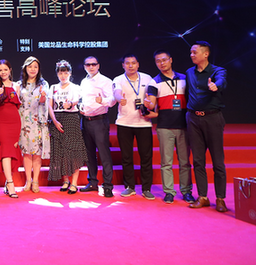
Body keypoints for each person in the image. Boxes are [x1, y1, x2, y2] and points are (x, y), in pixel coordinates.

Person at [146, 49, 194, 204]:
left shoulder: (185, 78)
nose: (162, 63)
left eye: (164, 60)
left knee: (185, 161)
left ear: (170, 60)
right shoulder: (154, 82)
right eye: (158, 61)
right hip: (164, 126)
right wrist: (148, 104)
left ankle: (186, 191)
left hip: (184, 125)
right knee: (166, 162)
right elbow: (152, 104)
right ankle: (169, 191)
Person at [186, 41, 228, 212]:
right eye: (191, 52)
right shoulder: (189, 72)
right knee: (198, 160)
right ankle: (202, 197)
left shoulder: (218, 71)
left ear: (206, 54)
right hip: (193, 119)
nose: (191, 55)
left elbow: (222, 81)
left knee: (217, 161)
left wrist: (215, 85)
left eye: (195, 52)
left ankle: (220, 199)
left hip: (212, 118)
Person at [112, 54, 156, 200]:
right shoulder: (118, 79)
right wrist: (120, 99)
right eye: (127, 63)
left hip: (143, 123)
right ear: (123, 65)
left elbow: (153, 96)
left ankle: (146, 188)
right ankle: (129, 187)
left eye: (133, 63)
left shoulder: (147, 78)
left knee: (146, 157)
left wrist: (150, 104)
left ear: (138, 64)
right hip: (124, 123)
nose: (130, 65)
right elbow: (117, 92)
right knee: (126, 157)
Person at [47, 60, 86, 195]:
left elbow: (77, 100)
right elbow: (50, 106)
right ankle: (65, 181)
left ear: (70, 73)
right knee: (60, 152)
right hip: (57, 119)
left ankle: (74, 183)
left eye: (65, 73)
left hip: (71, 119)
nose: (63, 76)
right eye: (60, 73)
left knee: (73, 151)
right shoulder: (53, 87)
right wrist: (54, 121)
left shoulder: (75, 87)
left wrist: (70, 104)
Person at [78, 55, 115, 198]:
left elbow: (112, 100)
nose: (91, 67)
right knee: (89, 154)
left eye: (93, 64)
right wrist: (81, 106)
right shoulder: (83, 81)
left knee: (104, 154)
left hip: (99, 121)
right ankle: (92, 182)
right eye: (88, 65)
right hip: (85, 120)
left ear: (98, 65)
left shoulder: (105, 81)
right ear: (84, 67)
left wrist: (102, 101)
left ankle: (108, 185)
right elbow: (83, 99)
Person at [16, 56, 50, 193]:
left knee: (36, 154)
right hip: (24, 123)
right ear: (25, 68)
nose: (33, 69)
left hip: (38, 122)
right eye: (30, 66)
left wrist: (43, 96)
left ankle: (35, 181)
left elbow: (43, 101)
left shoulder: (43, 84)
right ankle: (28, 180)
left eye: (35, 67)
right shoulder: (19, 84)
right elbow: (17, 102)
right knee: (26, 153)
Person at [0, 59, 22, 198]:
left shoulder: (16, 85)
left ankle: (8, 182)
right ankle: (10, 183)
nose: (3, 72)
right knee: (6, 148)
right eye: (0, 70)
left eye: (5, 69)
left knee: (12, 148)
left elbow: (18, 104)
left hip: (14, 119)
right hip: (1, 120)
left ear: (10, 70)